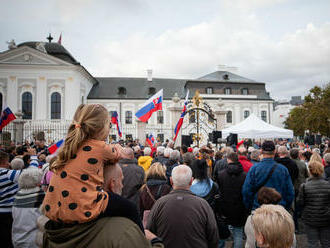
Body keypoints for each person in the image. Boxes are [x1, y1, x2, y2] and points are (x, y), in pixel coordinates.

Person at [43, 162, 164, 248]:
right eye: (121, 181)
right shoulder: (124, 230)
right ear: (112, 184)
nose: (122, 185)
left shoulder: (53, 228)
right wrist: (155, 241)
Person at [42, 104, 126, 225]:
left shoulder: (71, 146)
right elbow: (118, 155)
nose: (110, 129)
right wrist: (116, 146)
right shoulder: (100, 148)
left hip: (55, 209)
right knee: (130, 208)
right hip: (83, 208)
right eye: (109, 125)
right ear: (101, 128)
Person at [147, 165, 219, 248]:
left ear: (171, 181)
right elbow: (213, 234)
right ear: (191, 181)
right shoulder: (203, 204)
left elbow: (149, 231)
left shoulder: (160, 203)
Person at [242, 141, 294, 211]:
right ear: (275, 151)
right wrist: (285, 207)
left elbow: (246, 191)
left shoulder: (254, 169)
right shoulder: (283, 170)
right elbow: (290, 192)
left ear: (261, 151)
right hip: (278, 208)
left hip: (259, 208)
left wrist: (251, 206)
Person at [216, 152, 247, 248]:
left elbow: (219, 191)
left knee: (224, 232)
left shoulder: (221, 174)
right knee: (238, 233)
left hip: (225, 207)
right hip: (240, 207)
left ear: (228, 160)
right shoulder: (244, 175)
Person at [297, 161, 330, 248]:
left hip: (310, 218)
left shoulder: (304, 186)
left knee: (312, 243)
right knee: (326, 242)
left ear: (310, 171)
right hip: (326, 217)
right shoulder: (328, 185)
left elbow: (300, 202)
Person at [12, 167, 45, 248]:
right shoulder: (40, 195)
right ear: (37, 181)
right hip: (34, 241)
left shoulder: (18, 195)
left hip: (17, 239)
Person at [140, 162, 171, 227]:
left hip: (147, 221)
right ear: (163, 172)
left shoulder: (144, 188)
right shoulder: (166, 188)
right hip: (162, 220)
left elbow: (140, 208)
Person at [289, 148, 309, 232]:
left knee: (292, 207)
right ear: (298, 155)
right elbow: (307, 175)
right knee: (299, 206)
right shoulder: (302, 164)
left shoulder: (289, 163)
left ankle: (294, 224)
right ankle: (298, 224)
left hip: (292, 186)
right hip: (300, 186)